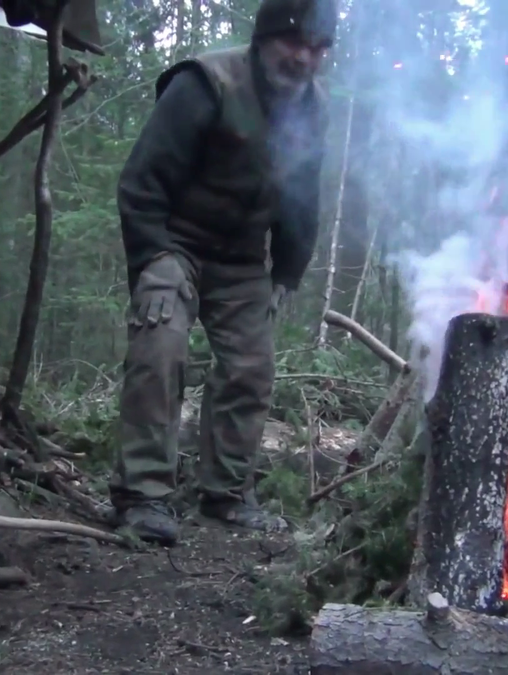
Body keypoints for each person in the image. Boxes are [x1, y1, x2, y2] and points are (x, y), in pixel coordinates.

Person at [108, 0, 337, 545]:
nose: (303, 59)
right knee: (160, 346)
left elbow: (302, 198)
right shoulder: (205, 83)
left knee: (251, 368)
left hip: (241, 259)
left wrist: (287, 271)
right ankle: (143, 495)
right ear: (263, 39)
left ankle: (226, 493)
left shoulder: (313, 107)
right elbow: (141, 182)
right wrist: (153, 258)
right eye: (293, 44)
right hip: (174, 242)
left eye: (317, 49)